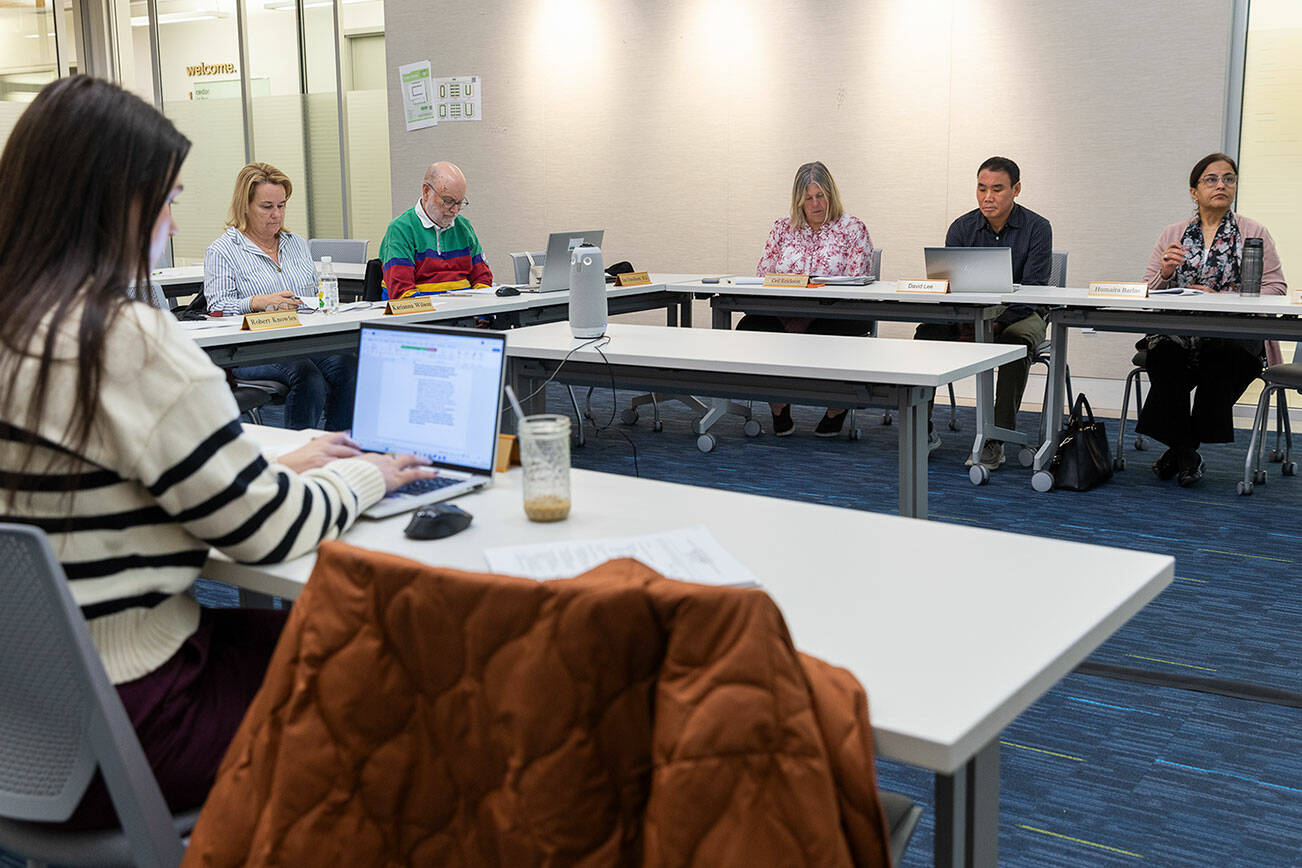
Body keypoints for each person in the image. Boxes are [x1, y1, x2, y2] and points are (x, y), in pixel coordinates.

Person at [0, 76, 435, 828]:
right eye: (166, 200)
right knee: (387, 657)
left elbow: (96, 488)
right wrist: (369, 473)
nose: (172, 218)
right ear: (117, 205)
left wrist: (261, 471)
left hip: (25, 712)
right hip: (129, 727)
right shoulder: (124, 341)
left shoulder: (19, 326)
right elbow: (267, 532)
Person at [1138, 152, 1288, 487]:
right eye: (1211, 179)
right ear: (1194, 192)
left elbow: (1277, 288)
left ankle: (1179, 449)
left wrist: (1222, 298)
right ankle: (1187, 452)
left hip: (1232, 333)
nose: (1221, 184)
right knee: (1164, 356)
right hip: (1180, 332)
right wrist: (1165, 273)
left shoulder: (1253, 231)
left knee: (1224, 357)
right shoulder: (1173, 233)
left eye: (1228, 178)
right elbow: (1146, 291)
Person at [915, 156, 1052, 469]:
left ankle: (995, 438)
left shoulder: (1037, 228)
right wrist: (967, 322)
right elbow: (949, 287)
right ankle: (922, 428)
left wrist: (992, 322)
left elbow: (1033, 290)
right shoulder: (961, 228)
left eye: (997, 189)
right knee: (927, 333)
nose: (988, 197)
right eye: (981, 188)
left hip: (1020, 315)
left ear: (1016, 189)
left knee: (1013, 345)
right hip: (969, 316)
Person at [203, 162, 357, 430]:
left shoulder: (295, 244)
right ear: (246, 206)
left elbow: (314, 291)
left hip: (302, 341)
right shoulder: (223, 250)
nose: (276, 214)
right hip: (252, 349)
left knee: (348, 367)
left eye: (281, 206)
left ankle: (337, 447)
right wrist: (257, 302)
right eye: (267, 207)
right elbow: (216, 309)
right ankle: (299, 455)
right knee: (307, 377)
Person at [738, 161, 874, 437]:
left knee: (837, 332)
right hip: (784, 312)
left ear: (831, 195)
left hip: (835, 314)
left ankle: (837, 407)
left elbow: (857, 281)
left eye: (821, 196)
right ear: (798, 201)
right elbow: (764, 273)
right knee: (749, 328)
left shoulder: (852, 228)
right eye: (808, 198)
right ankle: (778, 404)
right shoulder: (781, 228)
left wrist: (810, 311)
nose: (816, 205)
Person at [379, 161, 493, 299]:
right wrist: (443, 315)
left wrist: (481, 315)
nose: (455, 210)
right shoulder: (401, 230)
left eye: (459, 203)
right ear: (426, 191)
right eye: (448, 201)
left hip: (466, 317)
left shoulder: (463, 227)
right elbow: (402, 294)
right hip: (424, 318)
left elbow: (482, 280)